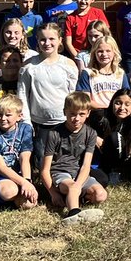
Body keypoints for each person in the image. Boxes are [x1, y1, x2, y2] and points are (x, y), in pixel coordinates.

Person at [17, 23, 79, 167]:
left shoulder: (69, 64)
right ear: (37, 41)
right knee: (42, 162)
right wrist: (26, 121)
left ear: (60, 40)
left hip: (63, 121)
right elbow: (22, 95)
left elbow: (74, 96)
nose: (47, 43)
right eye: (42, 40)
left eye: (52, 39)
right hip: (39, 123)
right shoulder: (28, 66)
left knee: (64, 161)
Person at [40, 91, 107, 225]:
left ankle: (73, 198)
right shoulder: (54, 134)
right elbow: (45, 169)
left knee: (101, 195)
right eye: (72, 114)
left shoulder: (91, 133)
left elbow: (86, 165)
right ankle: (73, 213)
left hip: (78, 173)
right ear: (65, 112)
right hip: (60, 173)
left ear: (88, 113)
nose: (76, 118)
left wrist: (78, 183)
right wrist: (53, 193)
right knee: (72, 187)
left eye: (81, 114)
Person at [78, 35, 131, 127]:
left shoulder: (120, 73)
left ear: (114, 53)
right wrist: (107, 108)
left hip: (117, 115)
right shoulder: (87, 73)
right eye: (100, 51)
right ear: (94, 53)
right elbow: (85, 100)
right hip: (97, 116)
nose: (104, 54)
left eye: (108, 51)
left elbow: (126, 97)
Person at [96, 88, 131, 186]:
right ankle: (113, 172)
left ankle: (122, 171)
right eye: (118, 103)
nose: (122, 107)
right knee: (114, 137)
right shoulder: (101, 116)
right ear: (112, 103)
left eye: (127, 104)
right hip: (103, 156)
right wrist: (95, 137)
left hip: (124, 156)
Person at [0, 16, 36, 82]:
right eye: (8, 32)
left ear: (23, 35)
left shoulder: (33, 56)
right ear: (3, 34)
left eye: (16, 33)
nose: (12, 36)